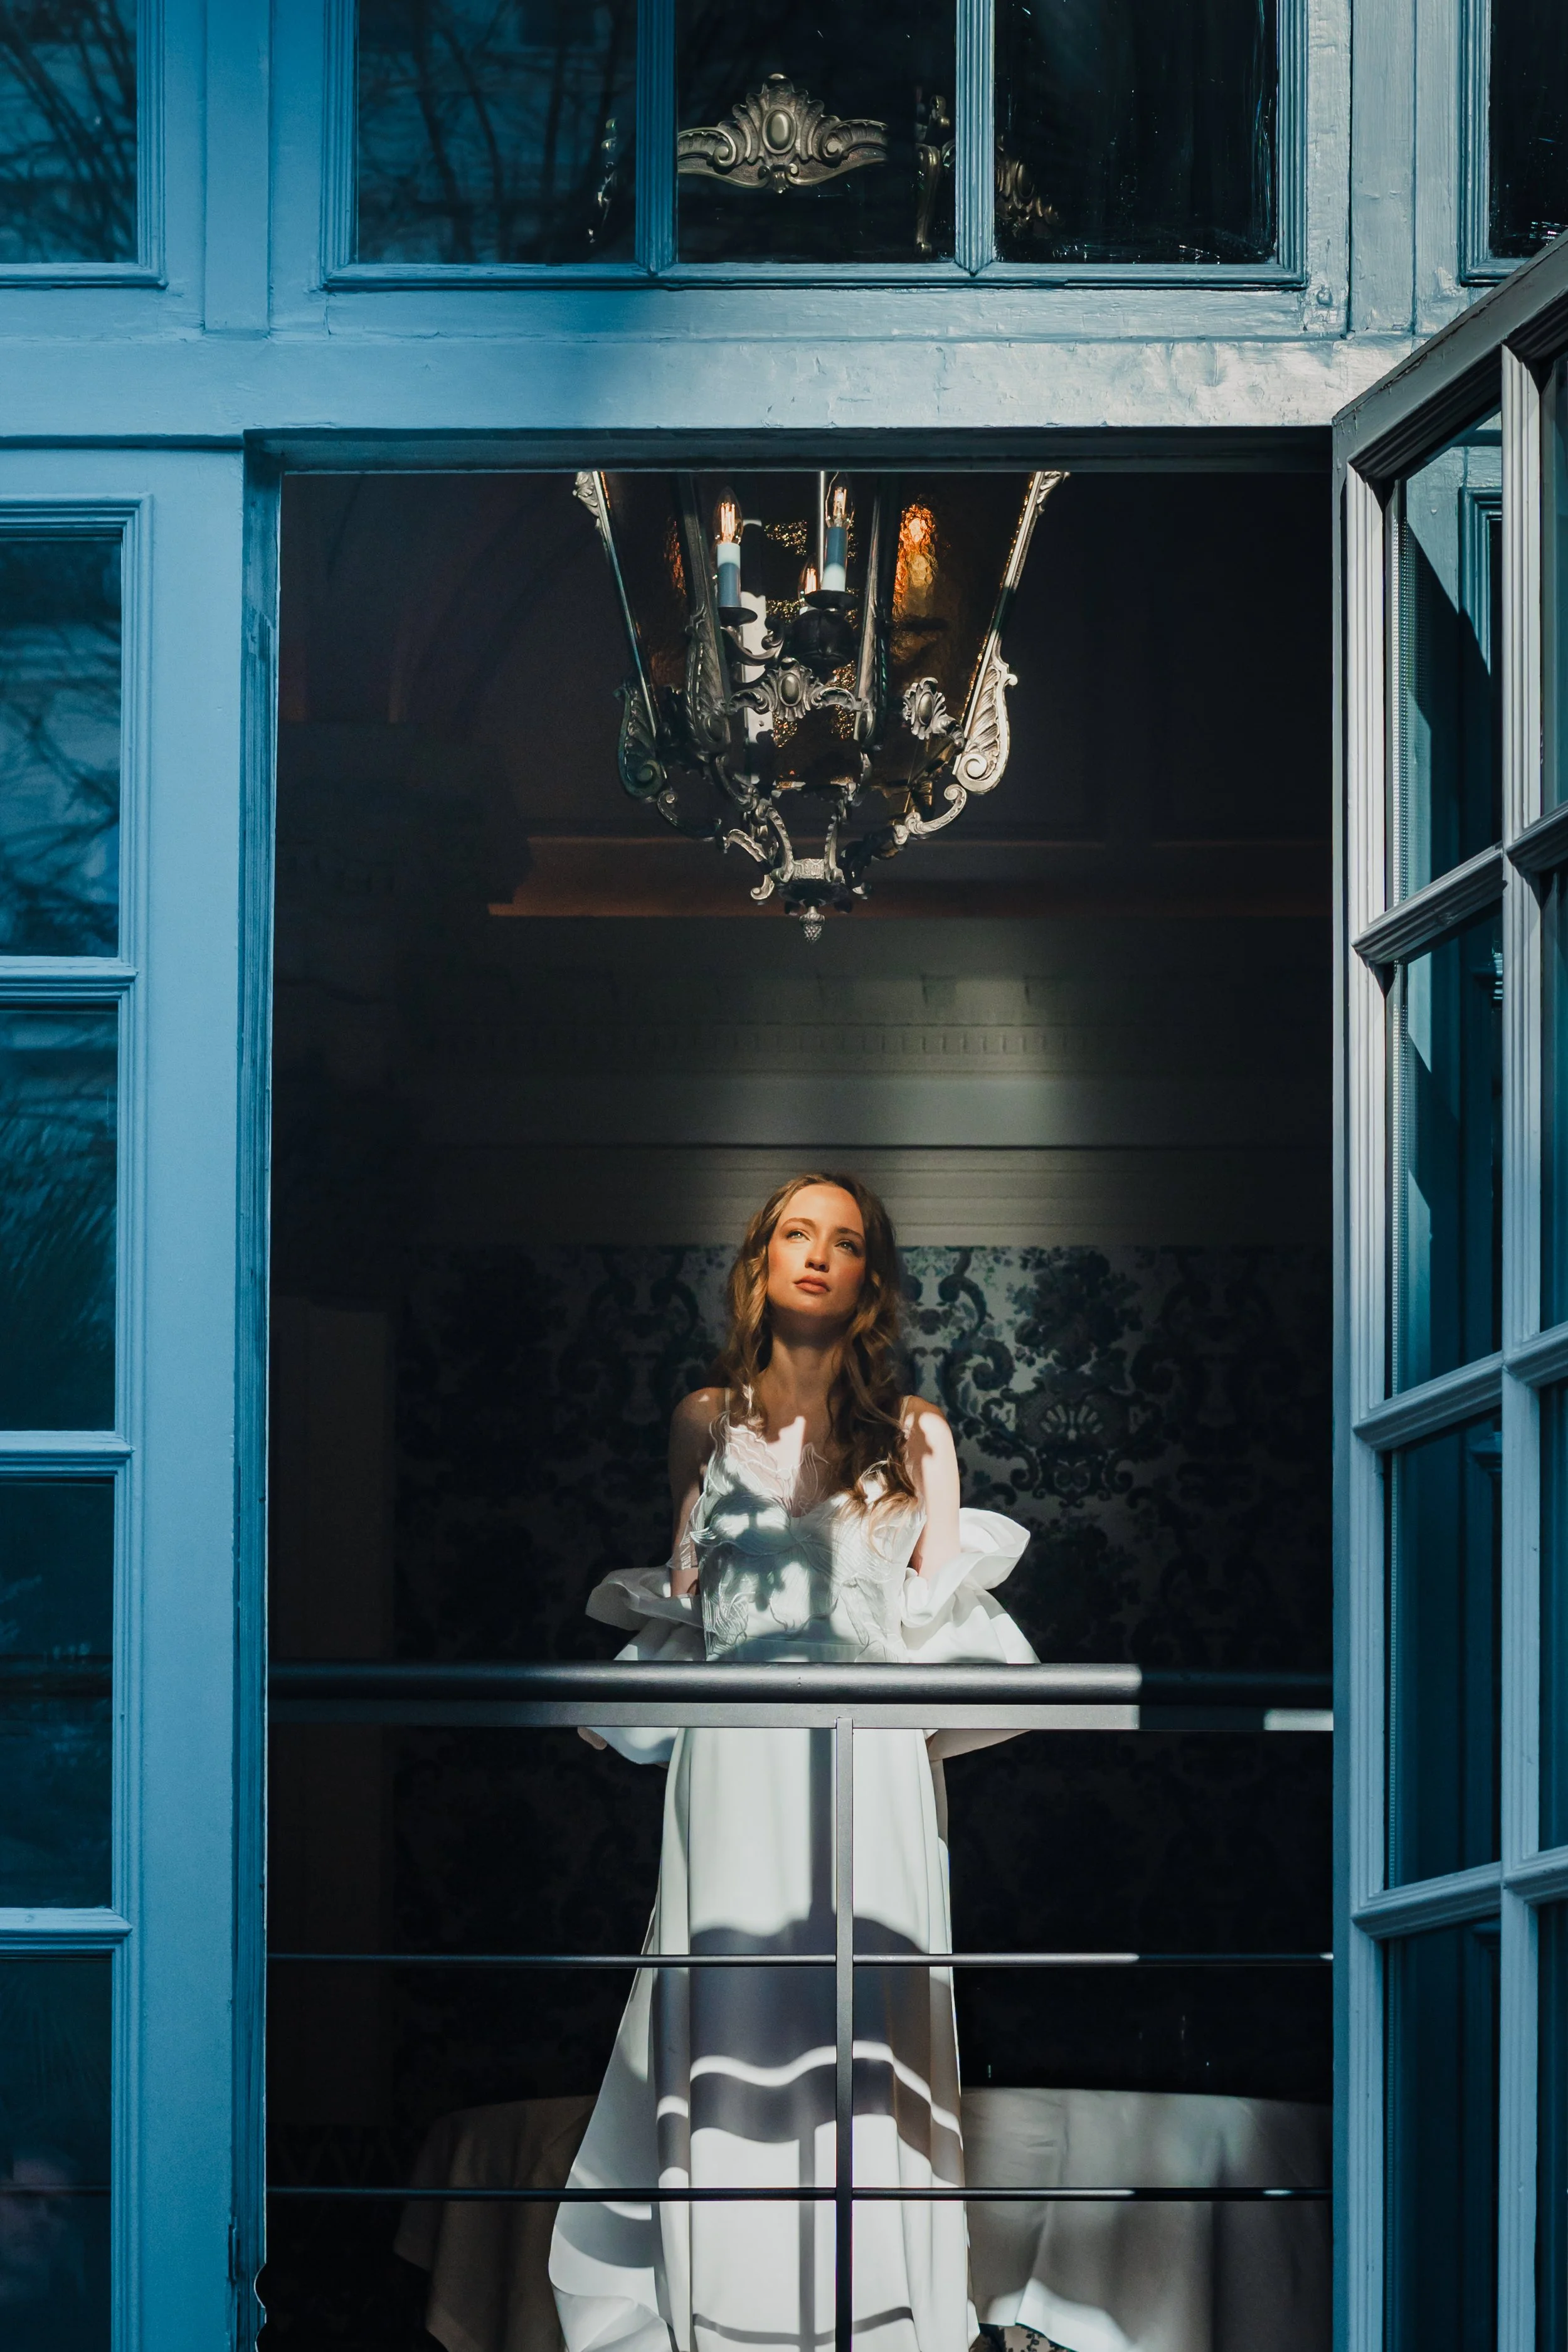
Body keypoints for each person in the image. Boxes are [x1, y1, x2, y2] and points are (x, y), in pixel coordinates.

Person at [548, 1173, 1037, 2352]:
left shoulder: (918, 1431)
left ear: (872, 1278)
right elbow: (694, 1596)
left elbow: (933, 1621)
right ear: (760, 1259)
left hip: (865, 1768)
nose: (818, 1254)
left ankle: (879, 2319)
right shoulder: (700, 1420)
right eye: (796, 1233)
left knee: (868, 2029)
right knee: (726, 2016)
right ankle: (724, 2318)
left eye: (847, 1241)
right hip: (731, 1773)